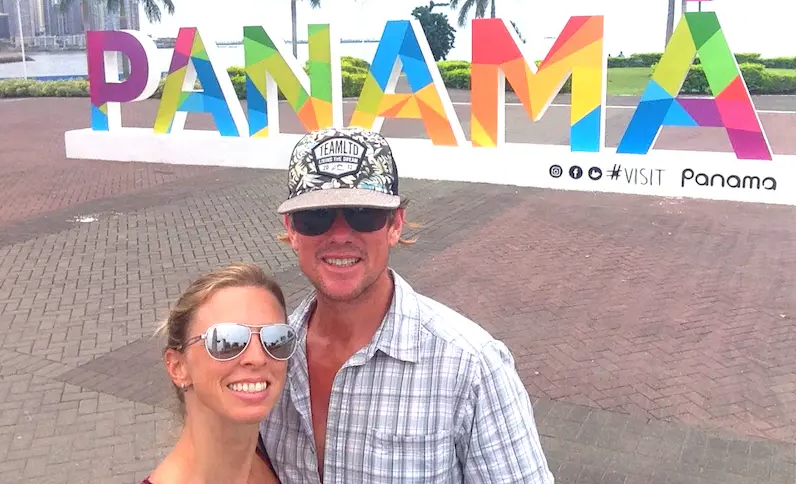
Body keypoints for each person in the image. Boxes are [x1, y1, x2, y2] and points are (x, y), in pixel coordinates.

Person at [258, 126, 555, 483]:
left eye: (363, 213)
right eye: (316, 216)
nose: (339, 234)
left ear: (394, 224)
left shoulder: (470, 366)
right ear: (292, 229)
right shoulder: (267, 357)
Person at [143, 263, 298, 484]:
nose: (257, 357)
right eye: (228, 341)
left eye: (275, 339)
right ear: (178, 367)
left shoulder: (287, 464)